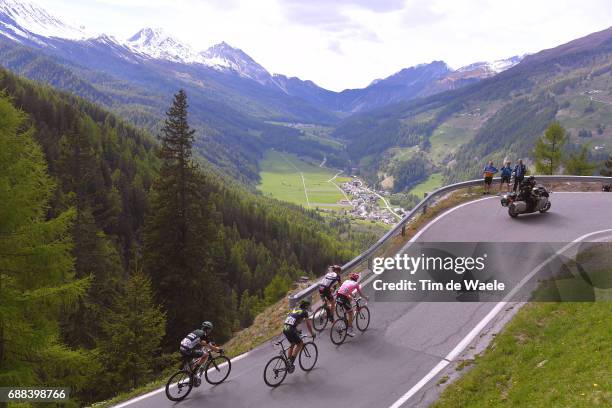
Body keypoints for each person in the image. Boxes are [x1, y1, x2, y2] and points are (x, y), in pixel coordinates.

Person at [179, 321, 224, 386]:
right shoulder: (204, 334)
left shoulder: (197, 331)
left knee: (192, 363)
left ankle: (192, 378)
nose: (210, 331)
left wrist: (207, 345)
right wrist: (219, 350)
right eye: (210, 330)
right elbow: (210, 346)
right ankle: (195, 373)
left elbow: (200, 342)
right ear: (207, 329)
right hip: (187, 350)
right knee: (206, 355)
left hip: (182, 347)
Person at [282, 300, 315, 373]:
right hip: (291, 329)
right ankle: (291, 362)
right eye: (308, 306)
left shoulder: (296, 309)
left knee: (293, 343)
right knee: (300, 343)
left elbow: (293, 320)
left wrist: (296, 330)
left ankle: (288, 362)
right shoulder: (304, 312)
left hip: (285, 328)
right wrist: (312, 333)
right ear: (306, 306)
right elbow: (308, 325)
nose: (309, 307)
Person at [335, 272, 368, 337]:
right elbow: (360, 294)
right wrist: (366, 297)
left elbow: (346, 290)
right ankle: (349, 331)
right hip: (343, 298)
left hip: (338, 295)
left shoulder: (346, 281)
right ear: (356, 279)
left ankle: (344, 323)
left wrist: (352, 295)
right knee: (351, 313)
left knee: (348, 304)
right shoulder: (356, 284)